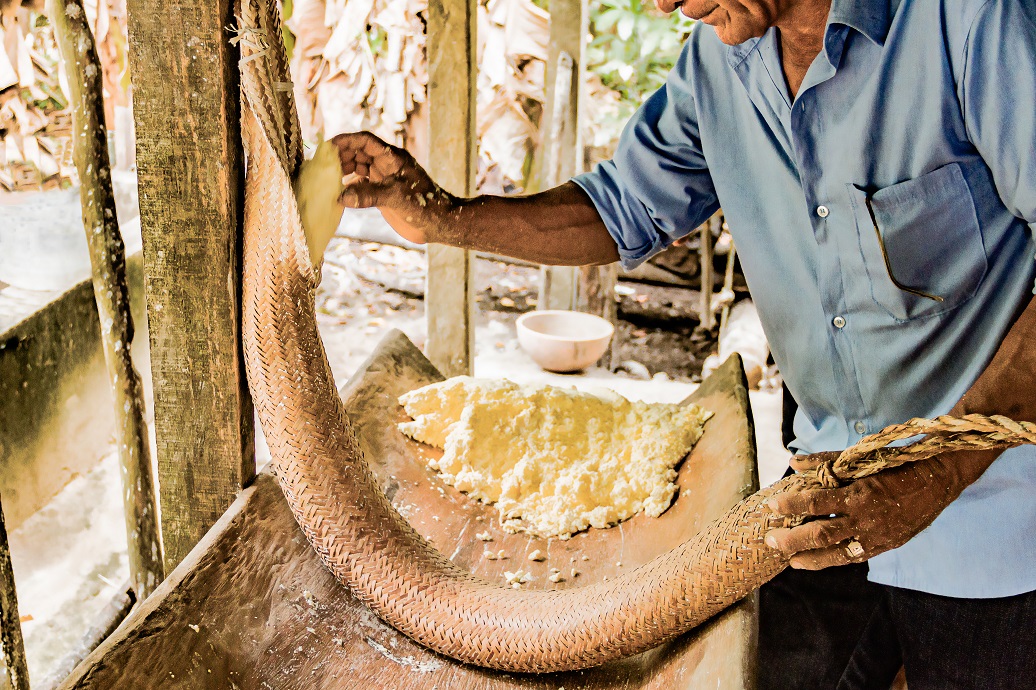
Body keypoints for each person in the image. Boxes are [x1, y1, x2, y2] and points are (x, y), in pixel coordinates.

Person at [331, 0, 1036, 686]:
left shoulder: (972, 20)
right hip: (829, 486)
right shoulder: (717, 64)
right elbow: (622, 208)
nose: (666, 4)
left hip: (1000, 520)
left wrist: (935, 472)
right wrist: (442, 218)